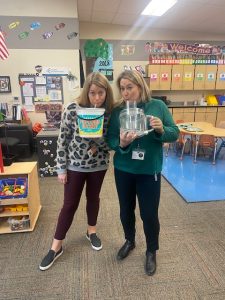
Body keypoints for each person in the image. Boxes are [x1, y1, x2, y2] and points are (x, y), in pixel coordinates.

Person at [107, 70, 179, 276]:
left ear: (140, 86)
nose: (126, 92)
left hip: (149, 170)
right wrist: (121, 143)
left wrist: (160, 129)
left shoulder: (158, 106)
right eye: (122, 88)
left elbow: (174, 133)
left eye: (130, 87)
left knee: (149, 213)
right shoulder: (119, 109)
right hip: (124, 169)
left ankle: (151, 250)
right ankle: (130, 240)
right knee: (125, 210)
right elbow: (111, 138)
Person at [39, 72, 114, 271]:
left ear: (106, 92)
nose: (97, 97)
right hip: (74, 165)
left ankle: (91, 231)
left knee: (93, 198)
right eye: (92, 93)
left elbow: (111, 144)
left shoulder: (109, 112)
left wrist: (96, 137)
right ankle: (56, 246)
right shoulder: (73, 109)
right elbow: (62, 140)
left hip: (99, 165)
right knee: (69, 204)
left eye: (101, 93)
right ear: (86, 92)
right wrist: (61, 168)